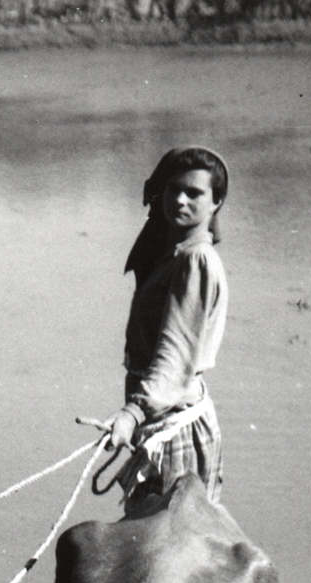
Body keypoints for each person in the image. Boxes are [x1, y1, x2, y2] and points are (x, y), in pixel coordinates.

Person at [105, 146, 230, 509]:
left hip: (176, 431)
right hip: (160, 421)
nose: (179, 200)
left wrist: (132, 413)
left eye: (194, 193)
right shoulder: (174, 256)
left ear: (216, 202)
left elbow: (175, 354)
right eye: (174, 189)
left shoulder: (196, 261)